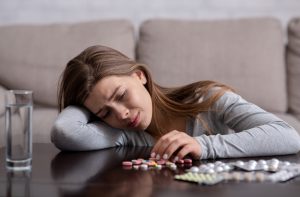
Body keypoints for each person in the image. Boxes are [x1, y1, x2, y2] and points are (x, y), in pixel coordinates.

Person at [51, 45, 300, 161]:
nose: (123, 114)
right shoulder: (124, 134)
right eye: (105, 112)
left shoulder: (208, 99)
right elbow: (65, 131)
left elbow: (288, 136)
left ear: (140, 76)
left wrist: (203, 146)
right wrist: (85, 102)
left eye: (120, 95)